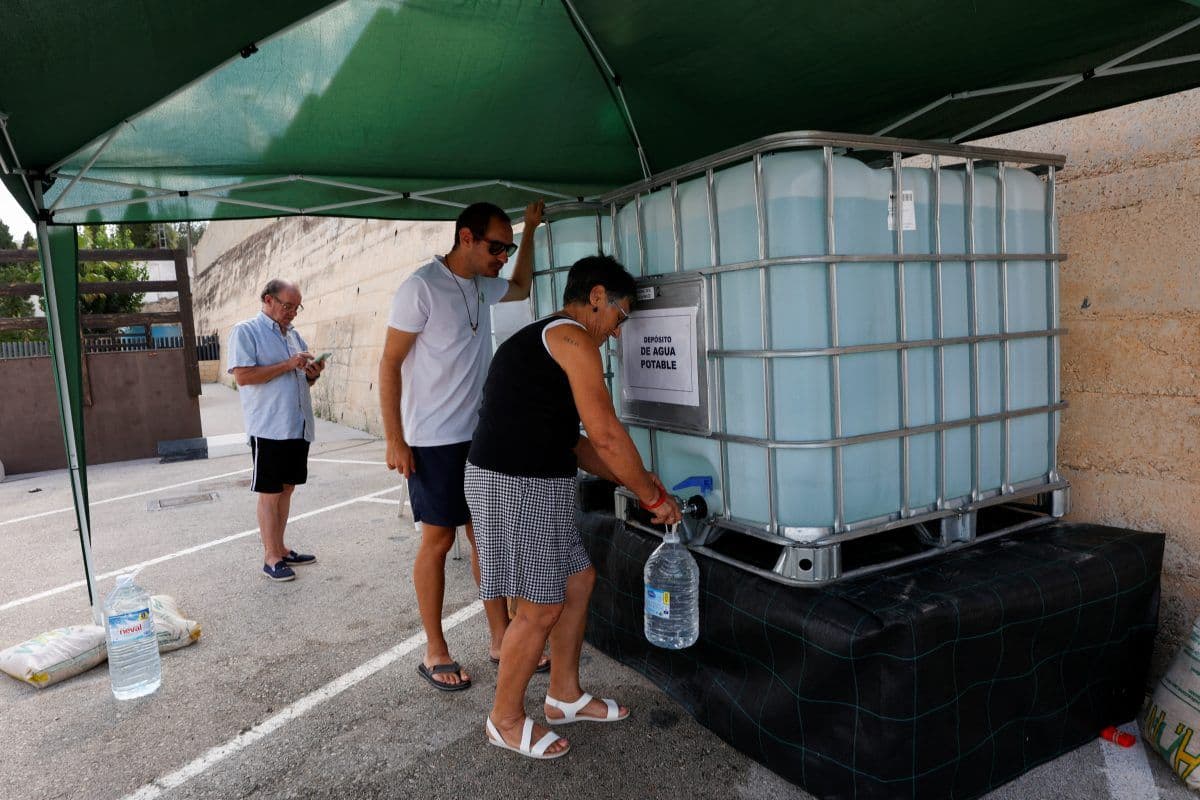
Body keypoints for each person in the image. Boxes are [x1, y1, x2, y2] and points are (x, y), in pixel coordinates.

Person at [465, 254, 683, 759]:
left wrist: (636, 479)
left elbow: (577, 443)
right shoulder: (571, 338)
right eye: (620, 317)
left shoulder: (555, 343)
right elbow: (606, 433)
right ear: (598, 297)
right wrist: (651, 498)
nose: (618, 331)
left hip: (540, 479)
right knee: (541, 605)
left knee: (576, 580)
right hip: (513, 483)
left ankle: (563, 695)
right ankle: (505, 717)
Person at [379, 200, 544, 691]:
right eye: (497, 246)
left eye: (506, 248)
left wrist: (528, 231)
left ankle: (500, 638)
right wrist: (395, 438)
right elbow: (389, 365)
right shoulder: (421, 288)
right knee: (439, 540)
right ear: (466, 238)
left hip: (479, 436)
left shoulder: (480, 286)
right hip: (431, 440)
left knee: (486, 537)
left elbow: (520, 287)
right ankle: (435, 650)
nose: (502, 256)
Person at [227, 279, 325, 582]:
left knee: (287, 489)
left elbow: (298, 381)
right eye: (287, 306)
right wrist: (287, 364)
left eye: (297, 307)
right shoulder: (246, 331)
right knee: (269, 493)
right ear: (268, 300)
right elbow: (243, 376)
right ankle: (270, 557)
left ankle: (281, 549)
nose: (293, 312)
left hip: (296, 425)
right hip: (269, 427)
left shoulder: (294, 335)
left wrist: (311, 375)